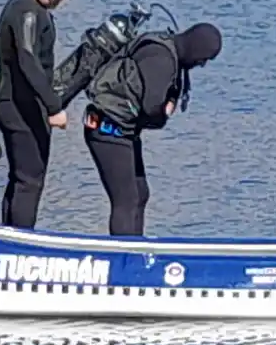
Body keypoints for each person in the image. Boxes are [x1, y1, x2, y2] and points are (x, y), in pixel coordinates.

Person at [82, 22, 223, 236]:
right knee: (126, 200)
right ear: (196, 49)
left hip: (122, 130)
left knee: (140, 193)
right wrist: (165, 113)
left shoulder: (167, 50)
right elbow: (151, 108)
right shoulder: (162, 59)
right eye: (203, 59)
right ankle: (124, 259)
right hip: (107, 130)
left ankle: (135, 250)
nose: (201, 64)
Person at [0, 0, 75, 229]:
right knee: (30, 180)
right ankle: (20, 244)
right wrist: (53, 107)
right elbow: (28, 60)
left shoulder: (30, 7)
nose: (58, 1)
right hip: (18, 106)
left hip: (16, 104)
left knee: (20, 178)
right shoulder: (26, 13)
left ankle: (8, 237)